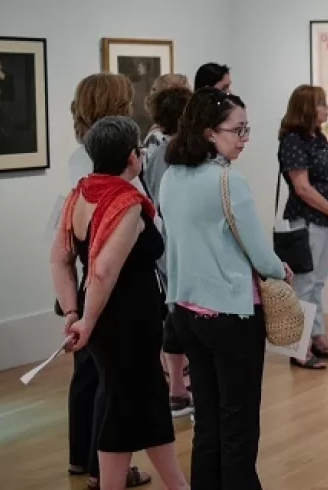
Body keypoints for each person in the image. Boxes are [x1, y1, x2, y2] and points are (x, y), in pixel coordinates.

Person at [160, 88, 290, 490]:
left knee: (208, 420)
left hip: (185, 310)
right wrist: (280, 270)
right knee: (238, 423)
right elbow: (260, 253)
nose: (244, 138)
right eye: (238, 129)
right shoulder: (228, 181)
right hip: (232, 315)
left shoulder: (170, 177)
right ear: (209, 132)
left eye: (247, 129)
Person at [51, 116, 188, 490]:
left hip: (108, 318)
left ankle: (176, 484)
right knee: (125, 403)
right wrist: (85, 319)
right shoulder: (126, 202)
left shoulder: (80, 194)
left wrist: (74, 312)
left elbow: (60, 259)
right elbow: (104, 271)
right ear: (132, 156)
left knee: (138, 400)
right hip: (126, 322)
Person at [62, 72, 152, 489]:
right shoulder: (111, 166)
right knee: (110, 384)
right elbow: (105, 261)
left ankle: (83, 457)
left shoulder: (80, 157)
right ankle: (104, 468)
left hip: (88, 280)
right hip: (111, 289)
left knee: (90, 375)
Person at [278, 84, 328, 369]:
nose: (327, 109)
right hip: (307, 219)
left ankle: (318, 337)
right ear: (306, 108)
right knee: (304, 284)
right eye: (321, 104)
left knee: (318, 281)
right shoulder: (293, 141)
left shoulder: (318, 138)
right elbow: (303, 187)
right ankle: (299, 346)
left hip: (326, 219)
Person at [138, 85, 196, 419]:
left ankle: (179, 387)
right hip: (174, 243)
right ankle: (178, 388)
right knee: (179, 314)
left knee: (176, 311)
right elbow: (164, 204)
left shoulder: (159, 152)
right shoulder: (171, 153)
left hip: (169, 242)